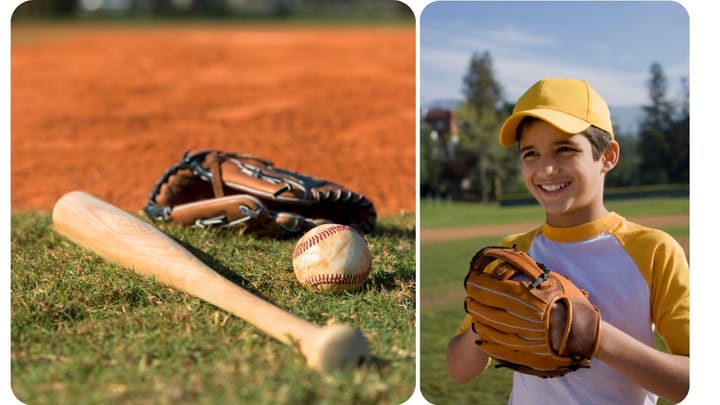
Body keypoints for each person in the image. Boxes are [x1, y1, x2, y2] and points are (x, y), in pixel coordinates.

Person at [446, 77, 689, 404]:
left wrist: (596, 337)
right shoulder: (513, 255)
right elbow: (459, 371)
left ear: (607, 156)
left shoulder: (653, 251)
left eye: (564, 149)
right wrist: (485, 324)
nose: (545, 169)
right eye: (530, 153)